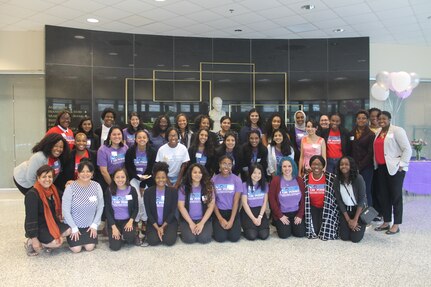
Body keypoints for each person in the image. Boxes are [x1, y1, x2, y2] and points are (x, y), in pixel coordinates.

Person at [373, 111, 412, 235]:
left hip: (395, 168)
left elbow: (407, 149)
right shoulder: (379, 132)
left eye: (384, 119)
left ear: (389, 119)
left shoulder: (397, 130)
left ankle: (396, 224)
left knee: (395, 196)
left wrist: (401, 165)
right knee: (384, 196)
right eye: (379, 119)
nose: (381, 121)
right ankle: (386, 221)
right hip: (381, 168)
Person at [24, 165, 71, 256]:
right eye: (44, 177)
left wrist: (70, 186)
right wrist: (34, 239)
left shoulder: (53, 189)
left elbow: (65, 197)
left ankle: (48, 241)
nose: (47, 179)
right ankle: (30, 242)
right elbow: (30, 218)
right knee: (57, 242)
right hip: (39, 226)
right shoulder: (32, 195)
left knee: (69, 230)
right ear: (38, 178)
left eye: (50, 177)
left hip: (52, 222)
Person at [62, 161, 104, 253]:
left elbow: (100, 206)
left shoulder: (97, 186)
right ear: (78, 173)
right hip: (74, 225)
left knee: (89, 247)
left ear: (92, 173)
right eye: (82, 171)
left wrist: (94, 225)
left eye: (88, 171)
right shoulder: (70, 188)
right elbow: (65, 210)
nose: (85, 174)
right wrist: (73, 227)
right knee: (76, 249)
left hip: (89, 225)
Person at [125, 129, 156, 229]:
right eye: (139, 137)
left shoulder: (152, 151)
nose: (141, 139)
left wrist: (142, 184)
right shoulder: (130, 151)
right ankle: (137, 220)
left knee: (145, 198)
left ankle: (145, 220)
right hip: (134, 178)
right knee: (137, 198)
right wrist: (138, 178)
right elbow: (128, 167)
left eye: (144, 137)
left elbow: (151, 168)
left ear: (147, 139)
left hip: (148, 179)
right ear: (135, 139)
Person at [269, 157, 306, 239]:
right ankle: (279, 223)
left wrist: (300, 215)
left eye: (289, 166)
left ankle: (292, 225)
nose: (287, 169)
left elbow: (304, 199)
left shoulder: (299, 180)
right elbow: (272, 200)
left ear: (293, 167)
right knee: (284, 235)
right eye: (284, 166)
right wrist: (280, 215)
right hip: (282, 213)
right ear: (280, 168)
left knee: (300, 233)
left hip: (296, 212)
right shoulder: (276, 180)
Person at [178, 164, 215, 244]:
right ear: (190, 174)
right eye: (195, 172)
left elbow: (211, 206)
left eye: (200, 172)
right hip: (188, 219)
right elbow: (181, 207)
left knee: (204, 239)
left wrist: (202, 223)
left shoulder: (208, 187)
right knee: (190, 239)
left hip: (203, 219)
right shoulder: (183, 187)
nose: (197, 175)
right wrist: (191, 223)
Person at [304, 155, 339, 240]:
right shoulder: (305, 178)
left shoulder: (331, 178)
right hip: (312, 208)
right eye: (314, 164)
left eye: (319, 164)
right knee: (315, 231)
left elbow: (335, 197)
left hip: (327, 208)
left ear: (323, 166)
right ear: (310, 165)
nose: (316, 166)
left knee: (325, 231)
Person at [144, 162, 178, 246]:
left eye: (163, 177)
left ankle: (166, 230)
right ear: (154, 178)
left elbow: (172, 212)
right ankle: (157, 231)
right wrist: (157, 228)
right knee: (152, 241)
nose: (161, 180)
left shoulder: (173, 191)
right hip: (154, 222)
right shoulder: (148, 192)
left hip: (169, 222)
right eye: (158, 177)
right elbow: (148, 213)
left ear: (166, 178)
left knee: (169, 241)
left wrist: (162, 227)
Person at [104, 168, 139, 251]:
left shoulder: (132, 190)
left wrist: (131, 221)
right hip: (114, 222)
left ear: (126, 178)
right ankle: (119, 235)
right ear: (113, 178)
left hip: (127, 221)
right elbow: (107, 211)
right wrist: (113, 227)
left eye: (122, 177)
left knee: (129, 238)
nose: (120, 179)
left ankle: (131, 234)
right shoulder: (109, 190)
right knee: (115, 247)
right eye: (117, 177)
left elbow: (136, 208)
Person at [334, 156, 367, 243]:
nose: (343, 166)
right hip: (346, 211)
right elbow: (339, 201)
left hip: (358, 211)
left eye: (346, 164)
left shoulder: (358, 178)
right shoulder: (337, 180)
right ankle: (351, 225)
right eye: (341, 164)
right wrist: (348, 220)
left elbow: (361, 200)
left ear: (351, 166)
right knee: (344, 237)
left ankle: (360, 226)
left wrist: (355, 220)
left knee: (355, 239)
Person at [211, 156, 242, 242]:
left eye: (229, 164)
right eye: (224, 163)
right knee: (220, 238)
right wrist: (220, 219)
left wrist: (231, 220)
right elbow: (213, 202)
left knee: (234, 238)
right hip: (219, 212)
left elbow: (236, 201)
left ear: (232, 166)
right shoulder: (213, 180)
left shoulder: (237, 180)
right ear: (219, 164)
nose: (226, 166)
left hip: (233, 212)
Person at [348, 110, 374, 207]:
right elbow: (349, 150)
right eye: (359, 118)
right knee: (354, 190)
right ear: (356, 120)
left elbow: (370, 153)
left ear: (367, 120)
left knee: (366, 190)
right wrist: (353, 166)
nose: (361, 120)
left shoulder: (371, 134)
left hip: (366, 167)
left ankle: (369, 215)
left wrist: (360, 166)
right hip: (353, 167)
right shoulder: (351, 133)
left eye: (363, 118)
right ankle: (356, 214)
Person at [240, 164, 269, 240]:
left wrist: (260, 217)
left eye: (259, 173)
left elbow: (264, 202)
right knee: (252, 235)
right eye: (254, 173)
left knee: (264, 235)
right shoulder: (244, 185)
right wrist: (253, 218)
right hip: (248, 212)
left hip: (260, 211)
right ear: (250, 173)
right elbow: (244, 203)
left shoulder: (265, 185)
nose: (257, 175)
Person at [97, 126, 128, 190]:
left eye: (119, 134)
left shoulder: (125, 148)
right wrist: (112, 185)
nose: (117, 136)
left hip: (122, 179)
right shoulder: (102, 150)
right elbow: (103, 171)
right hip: (108, 179)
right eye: (114, 134)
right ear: (109, 136)